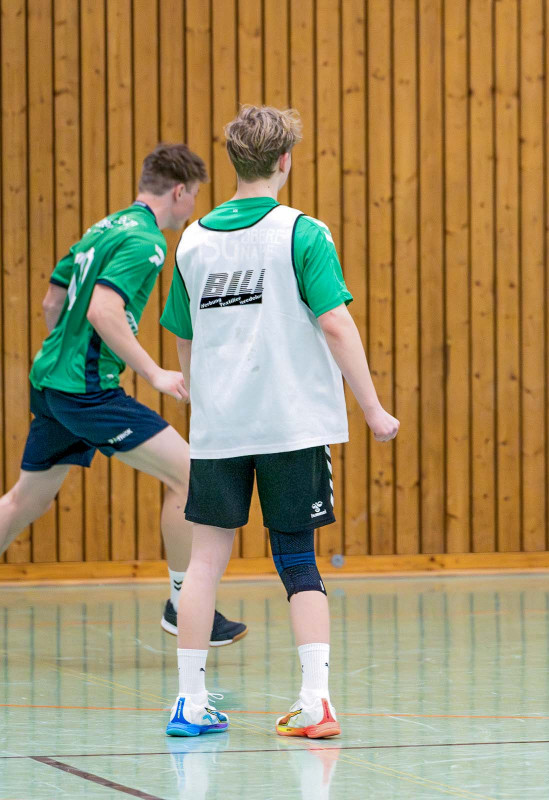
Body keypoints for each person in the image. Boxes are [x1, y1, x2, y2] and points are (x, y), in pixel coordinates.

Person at [161, 105, 400, 738]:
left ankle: (189, 702)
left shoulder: (192, 241)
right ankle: (315, 702)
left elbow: (185, 336)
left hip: (220, 429)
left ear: (234, 162)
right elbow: (335, 322)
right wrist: (372, 407)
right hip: (291, 427)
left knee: (204, 564)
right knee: (297, 560)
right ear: (285, 161)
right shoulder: (303, 232)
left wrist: (205, 399)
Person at [0, 144, 248, 645]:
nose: (192, 208)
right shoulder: (146, 241)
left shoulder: (104, 228)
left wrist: (69, 355)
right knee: (191, 476)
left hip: (52, 383)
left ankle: (182, 604)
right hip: (87, 392)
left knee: (25, 500)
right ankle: (182, 605)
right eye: (194, 197)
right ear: (179, 191)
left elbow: (52, 301)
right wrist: (154, 373)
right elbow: (102, 311)